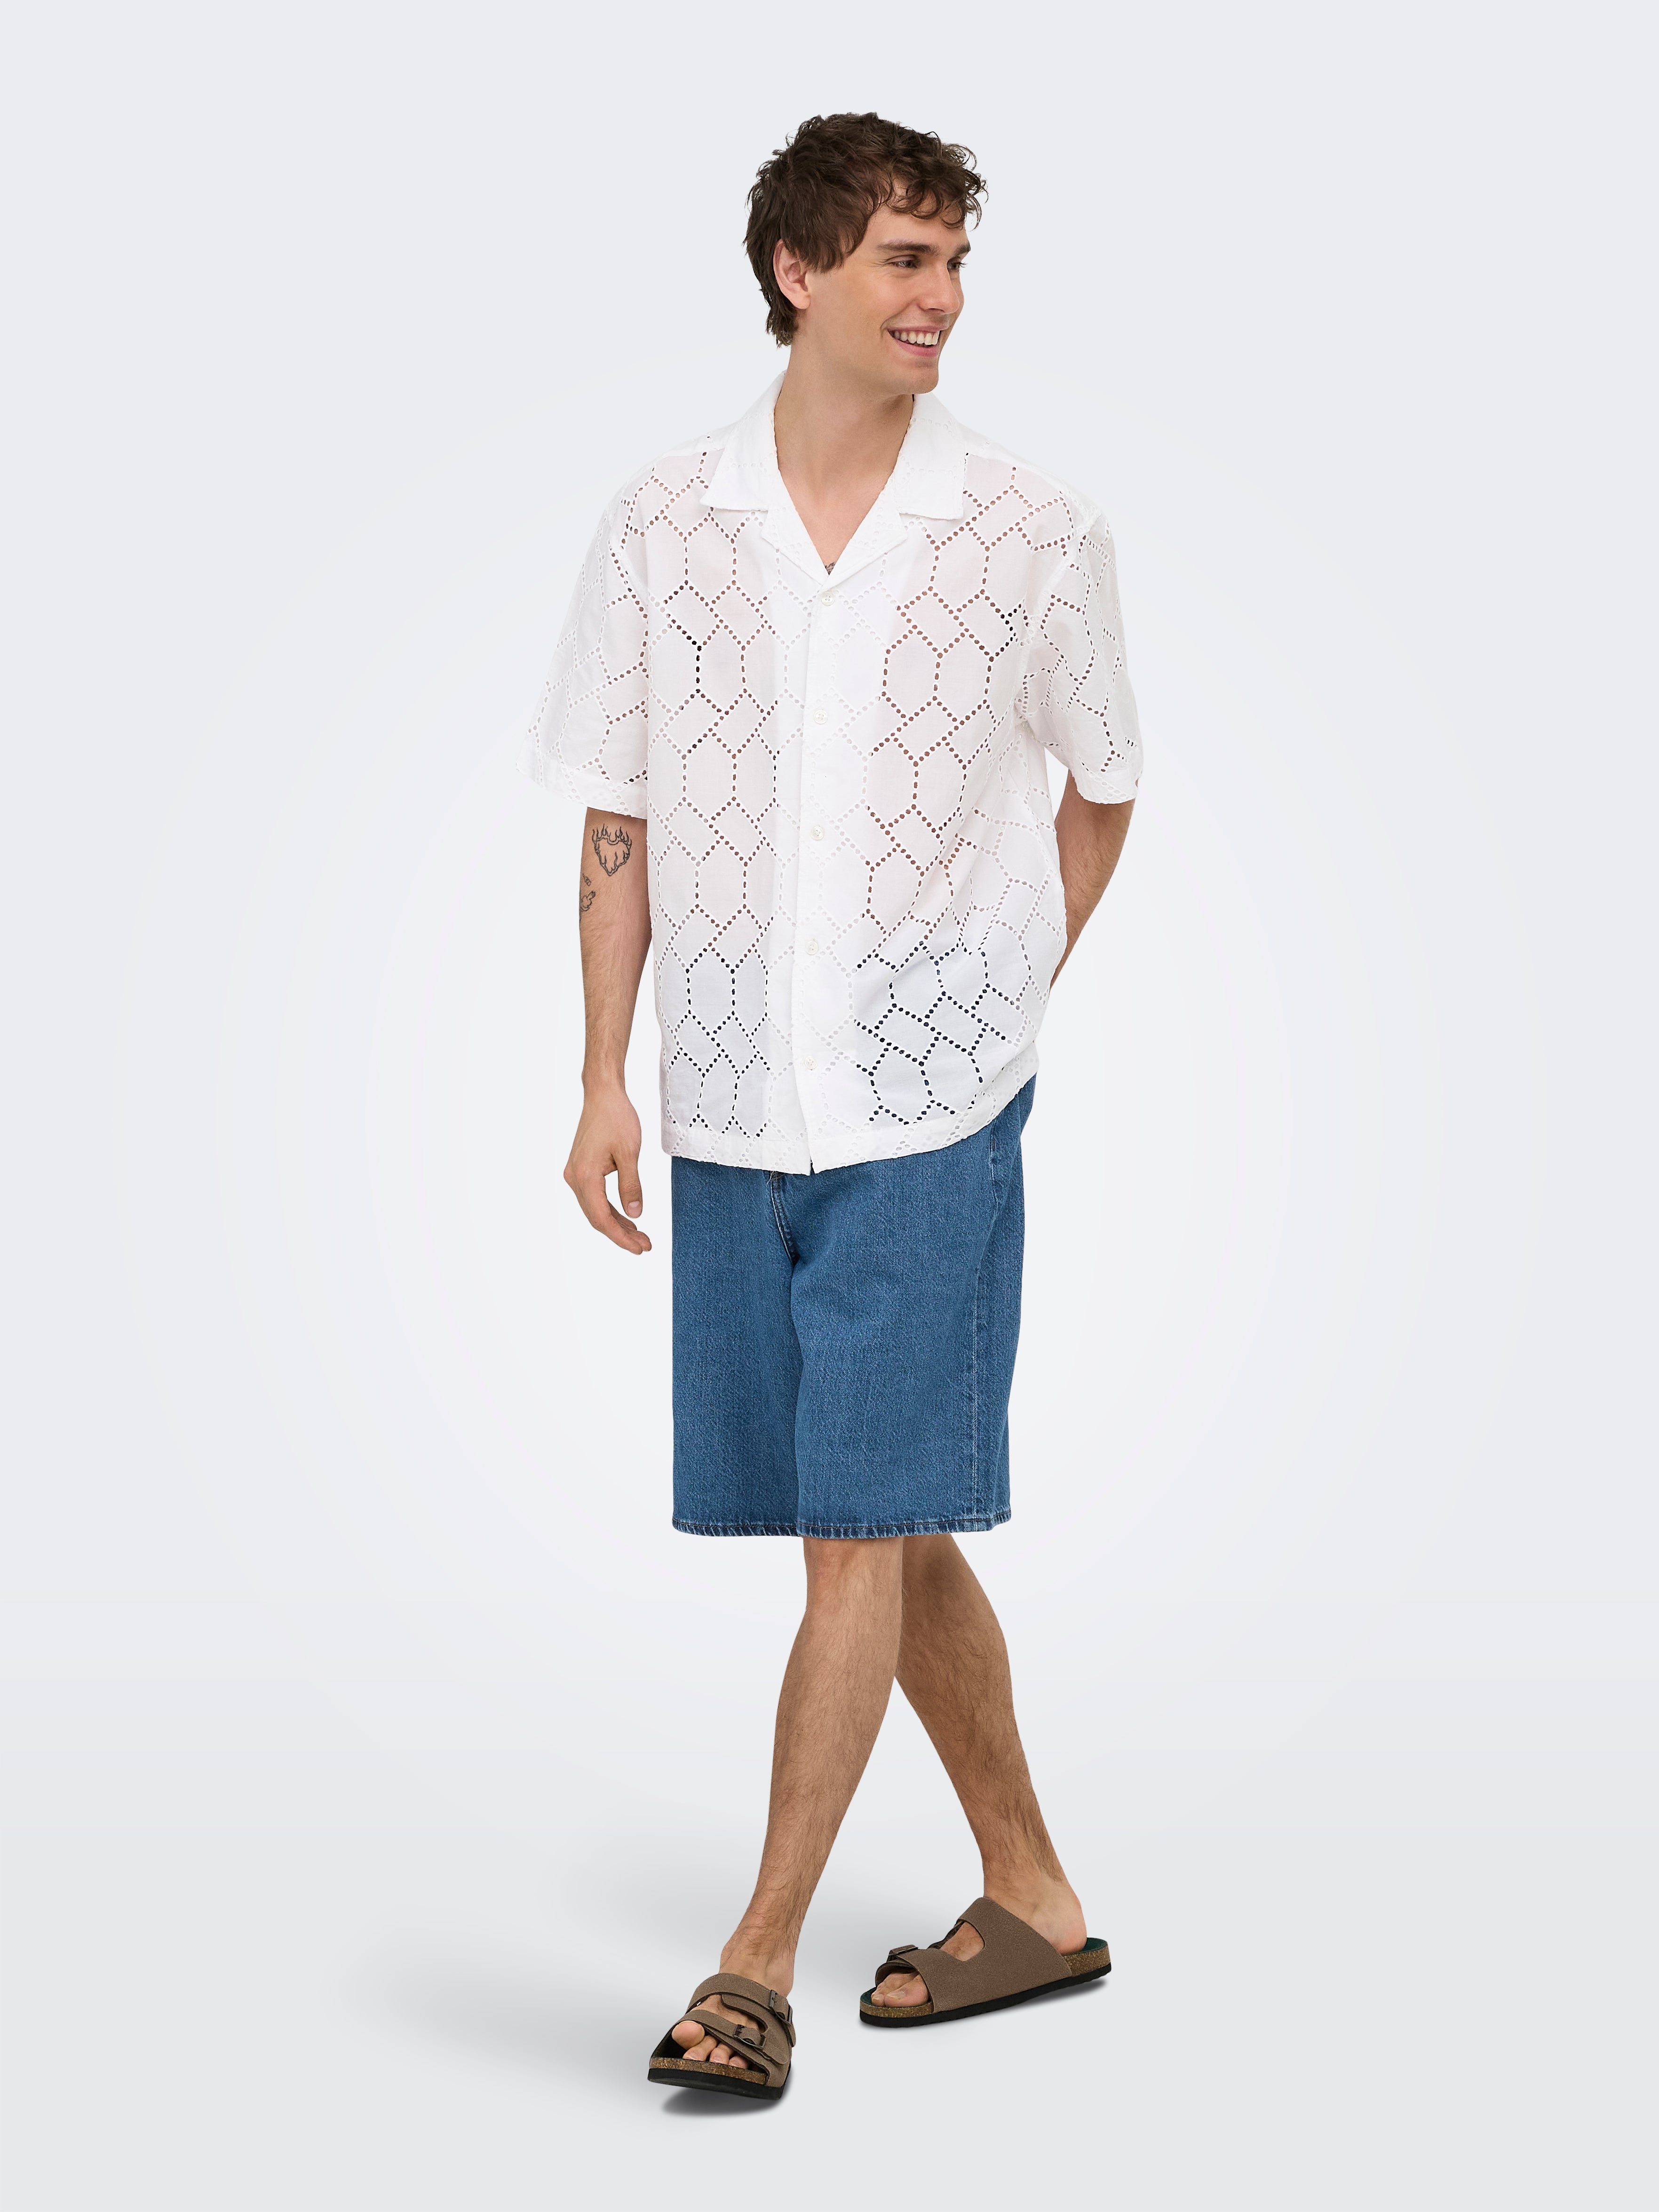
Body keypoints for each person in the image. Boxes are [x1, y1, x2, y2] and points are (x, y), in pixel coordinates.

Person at [528, 111, 1140, 2100]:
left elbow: (1106, 783)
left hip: (930, 1109)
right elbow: (619, 816)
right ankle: (1033, 1897)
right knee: (880, 1513)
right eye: (903, 258)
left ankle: (754, 1967)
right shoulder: (662, 521)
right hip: (729, 1104)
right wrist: (601, 1076)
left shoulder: (1032, 530)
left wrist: (1006, 986)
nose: (941, 297)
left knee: (854, 1543)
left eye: (955, 262)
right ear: (798, 272)